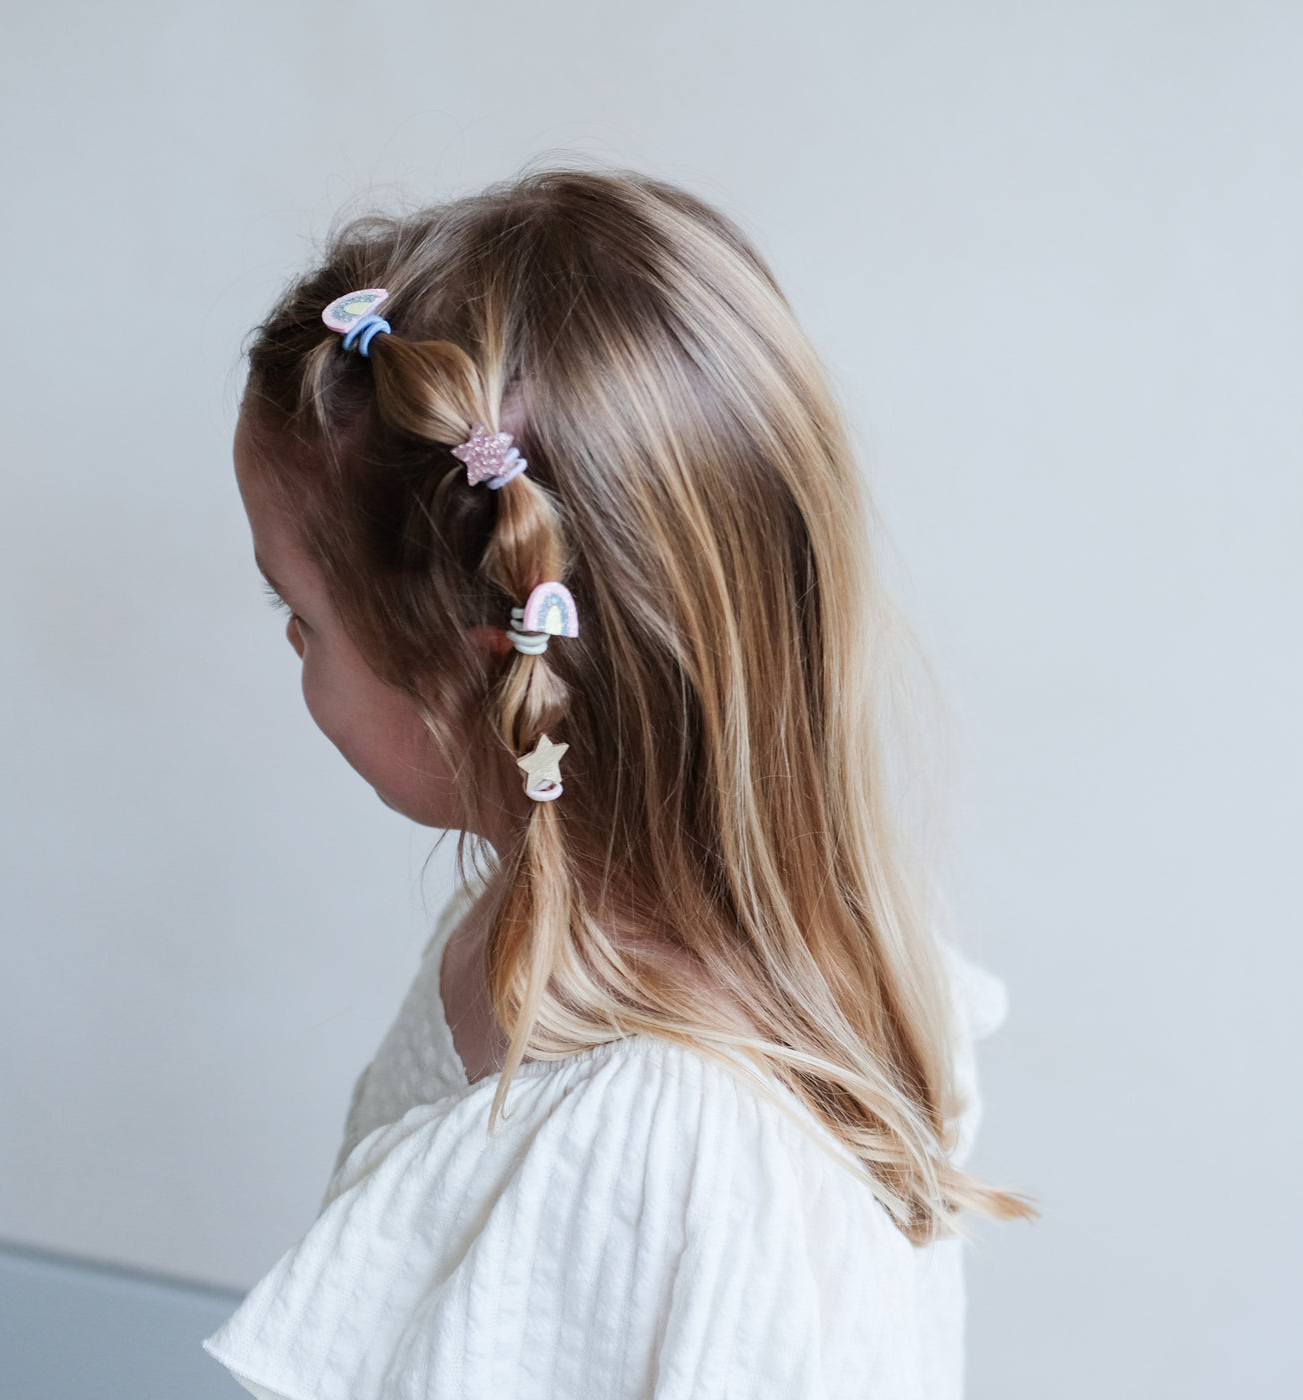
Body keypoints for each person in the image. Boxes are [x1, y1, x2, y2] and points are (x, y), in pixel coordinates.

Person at [203, 167, 1031, 1400]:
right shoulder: (561, 917)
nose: (283, 642)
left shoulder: (654, 1152)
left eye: (298, 610)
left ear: (480, 675)